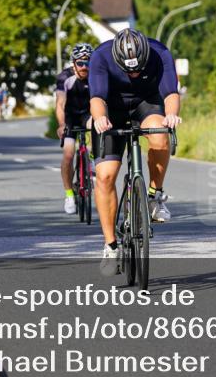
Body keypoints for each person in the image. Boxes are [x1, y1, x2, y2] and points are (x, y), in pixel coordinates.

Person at [89, 28, 181, 276]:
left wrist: (171, 114)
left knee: (160, 136)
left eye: (139, 68)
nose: (135, 73)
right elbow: (97, 97)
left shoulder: (160, 52)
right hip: (112, 108)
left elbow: (171, 92)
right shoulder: (101, 56)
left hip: (146, 103)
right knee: (106, 175)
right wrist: (99, 119)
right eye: (129, 70)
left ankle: (154, 195)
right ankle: (110, 246)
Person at [58, 43, 94, 215]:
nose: (84, 67)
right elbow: (60, 104)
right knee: (68, 154)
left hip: (87, 115)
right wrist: (61, 124)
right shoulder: (65, 77)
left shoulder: (96, 75)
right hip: (70, 117)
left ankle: (93, 158)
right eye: (80, 63)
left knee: (97, 125)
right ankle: (69, 195)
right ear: (73, 63)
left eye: (88, 63)